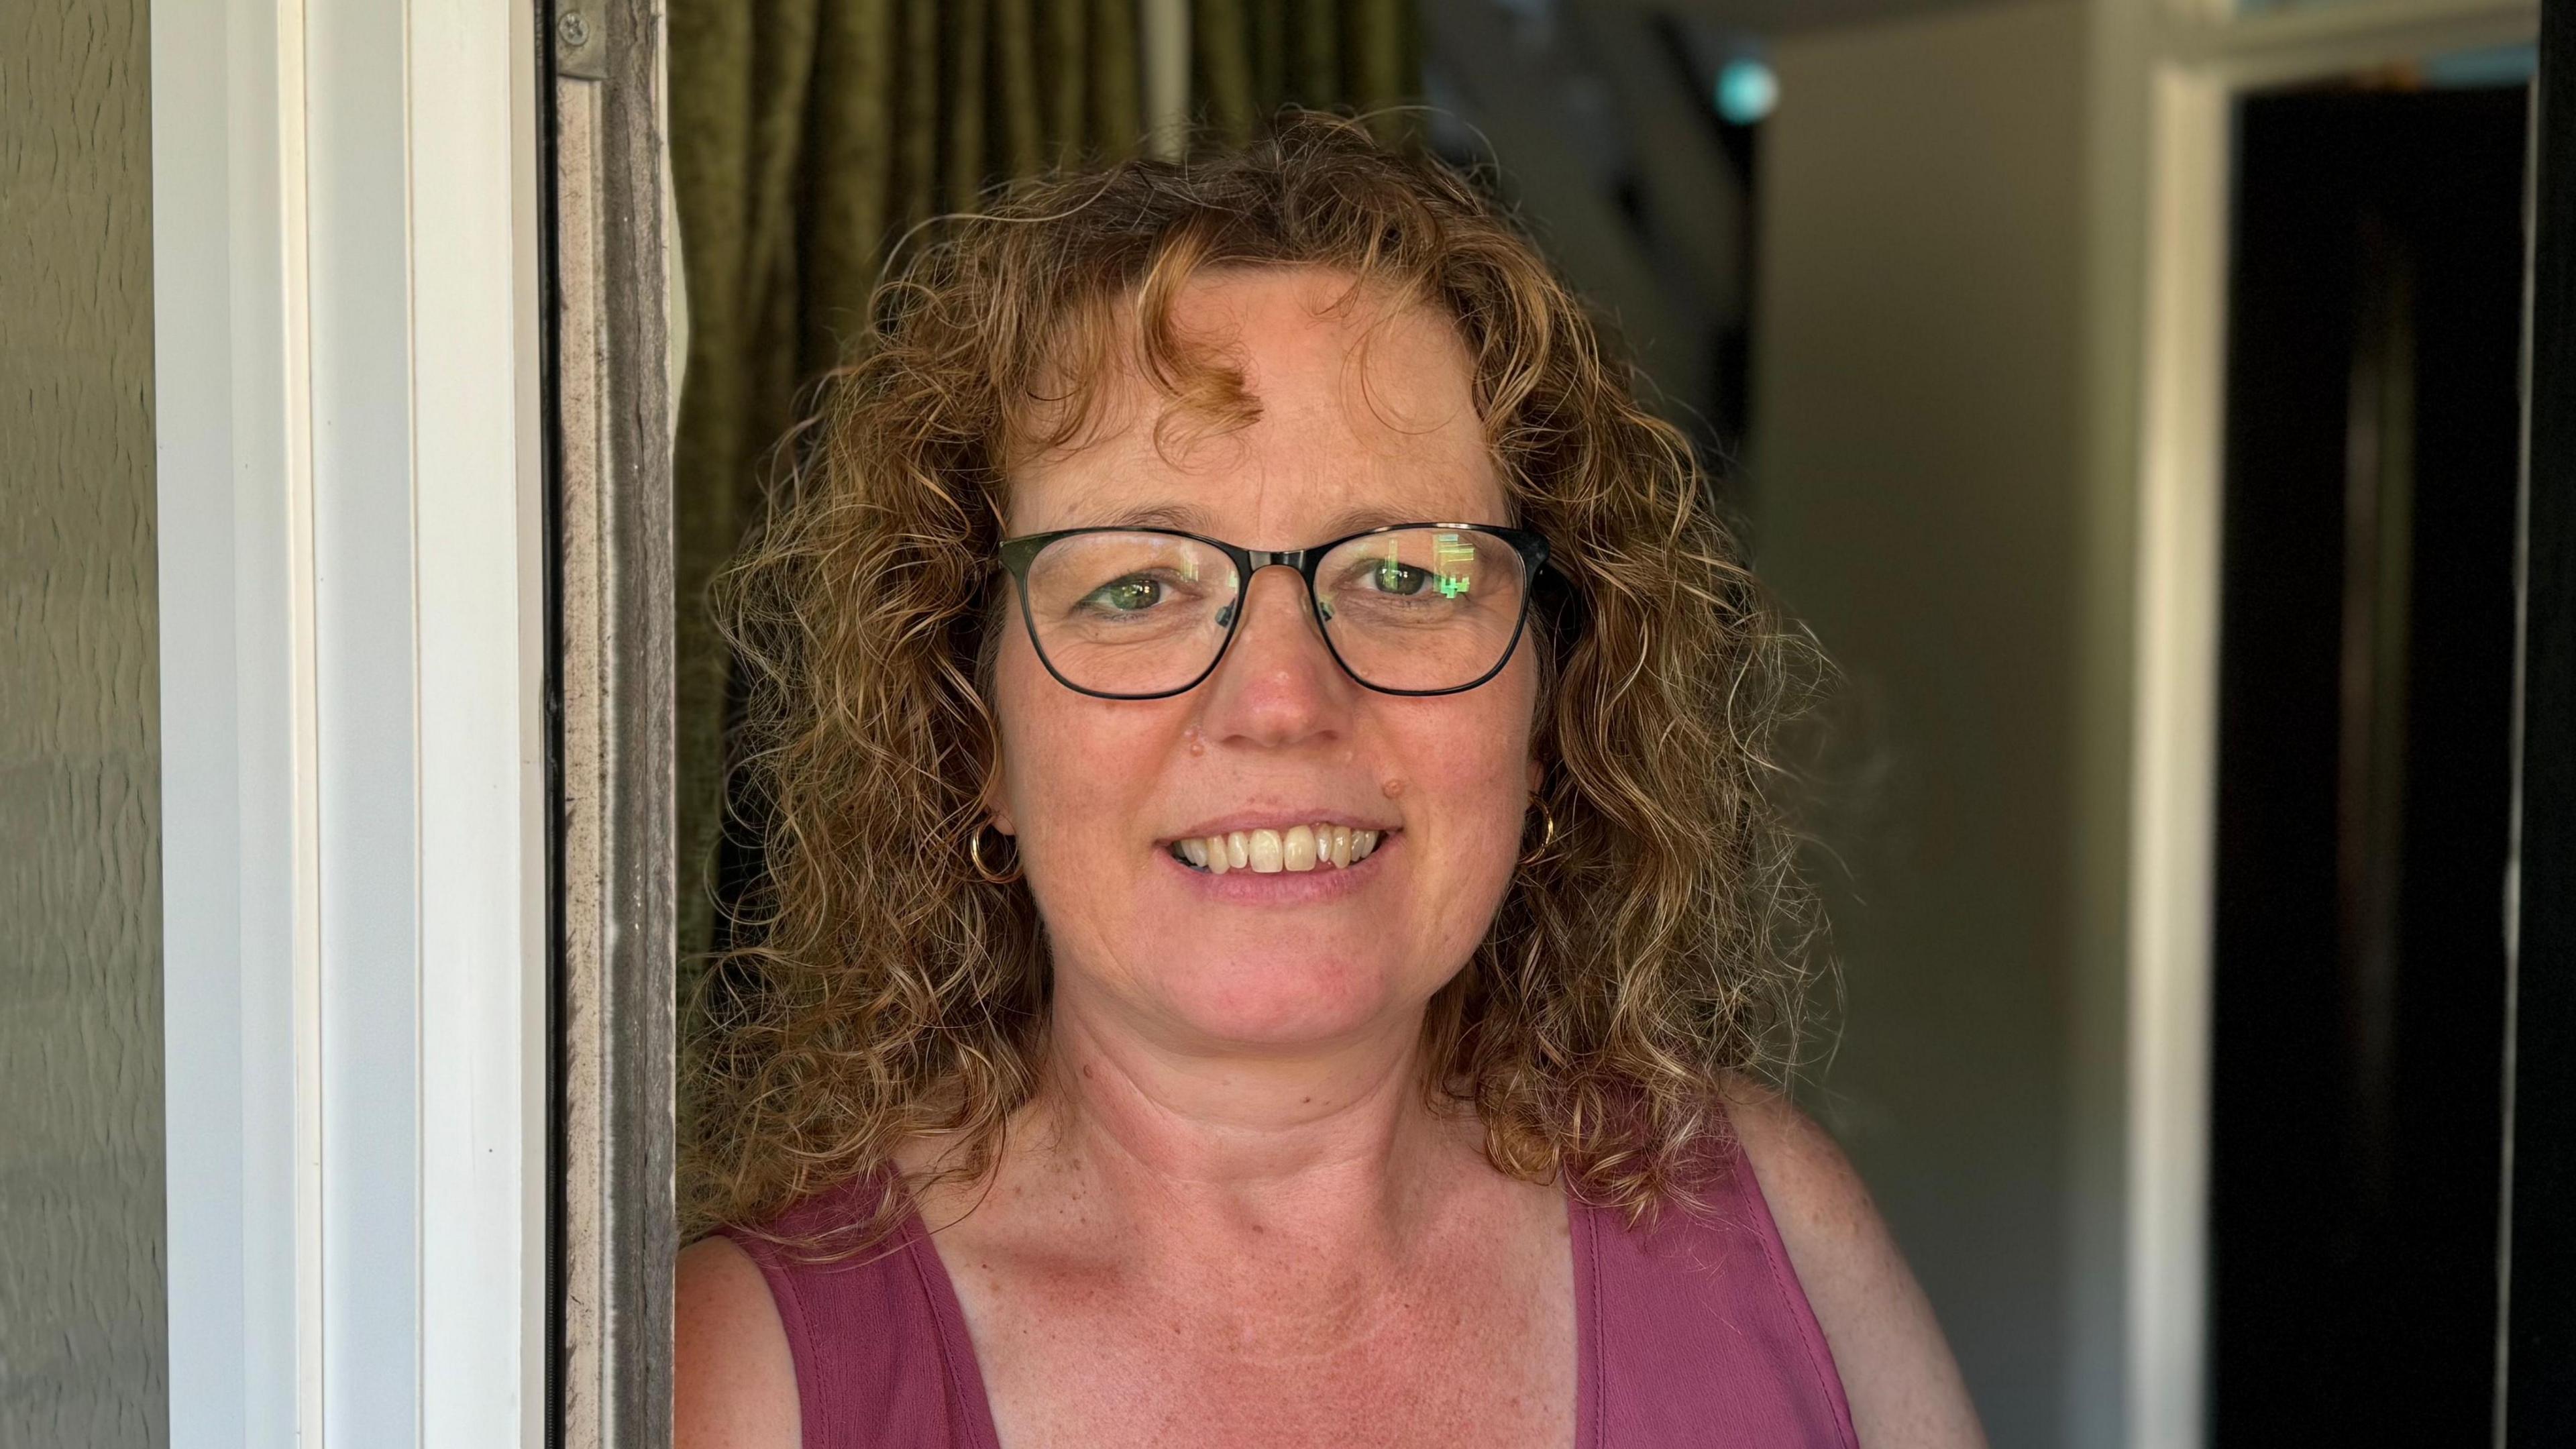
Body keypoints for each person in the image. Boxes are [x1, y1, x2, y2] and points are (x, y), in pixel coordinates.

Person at [676, 113, 1984, 1448]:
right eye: (1137, 585)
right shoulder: (748, 1377)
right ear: (974, 738)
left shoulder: (1770, 1234)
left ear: (1551, 703)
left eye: (1406, 576)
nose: (1285, 704)